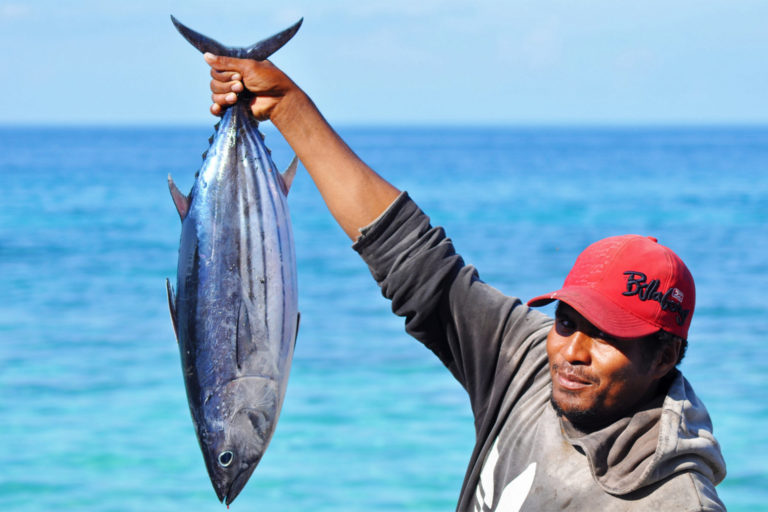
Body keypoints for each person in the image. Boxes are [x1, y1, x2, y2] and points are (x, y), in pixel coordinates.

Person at [202, 52, 727, 511]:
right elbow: (414, 260)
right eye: (567, 321)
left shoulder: (674, 502)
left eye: (607, 336)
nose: (573, 351)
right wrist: (287, 105)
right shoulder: (529, 365)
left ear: (664, 357)